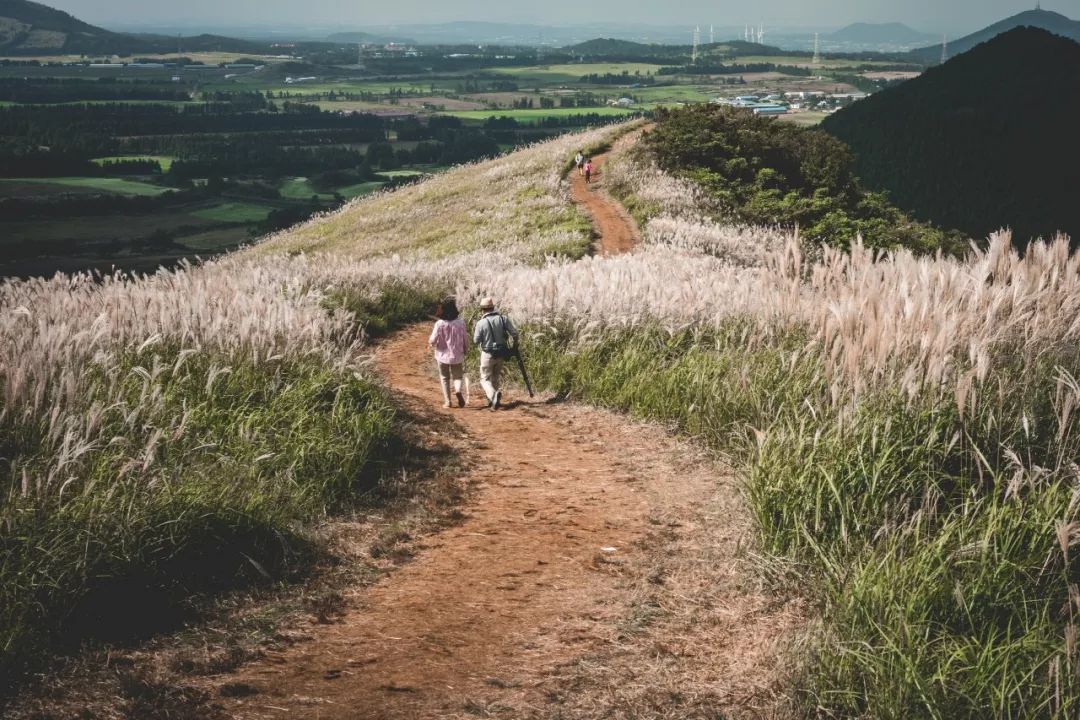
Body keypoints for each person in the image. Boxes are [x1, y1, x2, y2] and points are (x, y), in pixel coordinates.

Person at [473, 297, 518, 411]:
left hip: (487, 353)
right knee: (495, 377)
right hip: (501, 352)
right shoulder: (503, 319)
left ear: (482, 310)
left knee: (484, 379)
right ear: (493, 307)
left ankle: (493, 395)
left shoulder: (481, 323)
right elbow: (514, 333)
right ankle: (492, 401)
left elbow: (476, 340)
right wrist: (514, 345)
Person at [428, 297, 468, 408]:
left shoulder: (439, 324)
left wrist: (431, 343)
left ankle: (448, 402)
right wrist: (465, 349)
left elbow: (433, 340)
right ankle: (458, 390)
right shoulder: (461, 323)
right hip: (457, 354)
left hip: (442, 355)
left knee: (444, 378)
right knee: (457, 376)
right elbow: (465, 338)